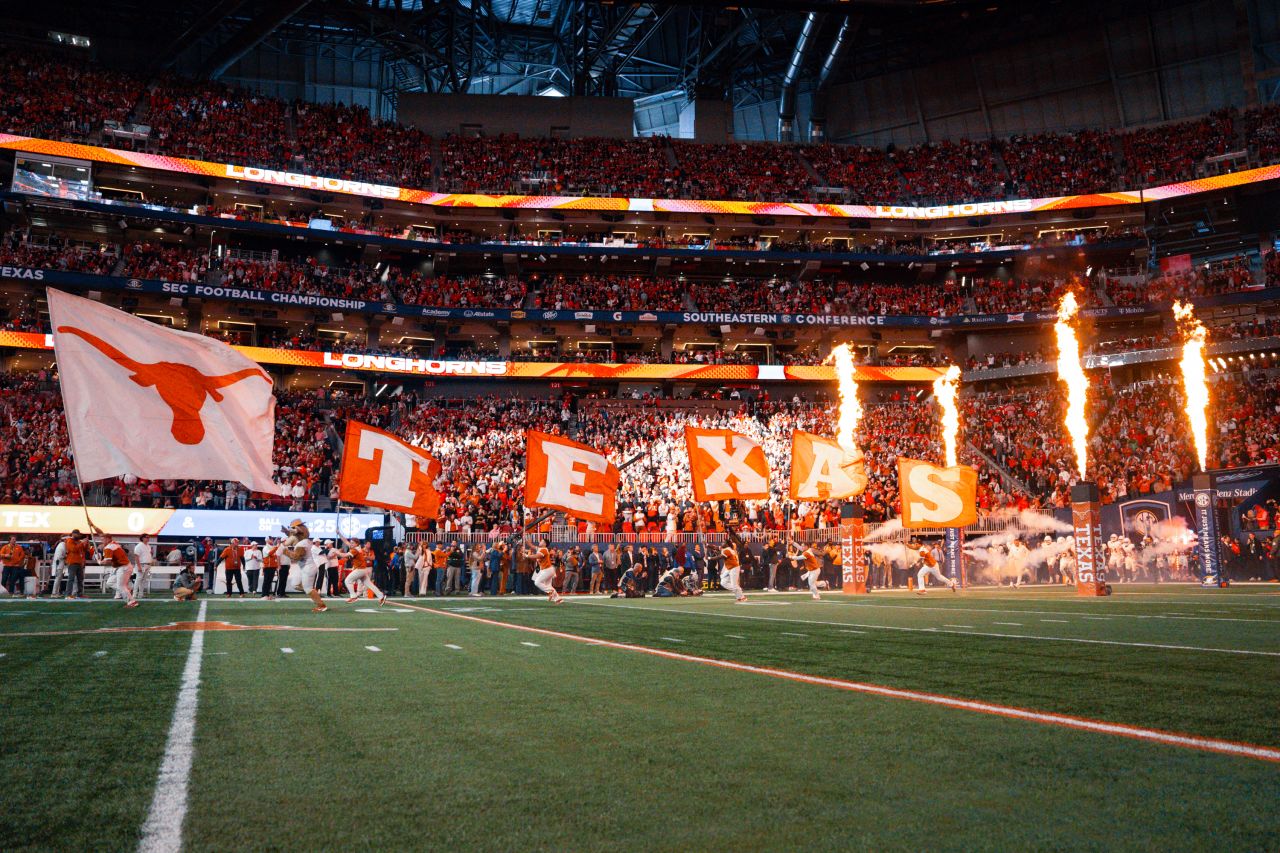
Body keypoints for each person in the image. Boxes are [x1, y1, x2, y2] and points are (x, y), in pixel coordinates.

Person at [283, 519, 327, 612]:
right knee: (295, 584)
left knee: (308, 588)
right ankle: (312, 592)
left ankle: (321, 605)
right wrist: (287, 532)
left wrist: (285, 551)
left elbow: (296, 557)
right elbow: (296, 534)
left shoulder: (302, 543)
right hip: (303, 566)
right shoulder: (303, 540)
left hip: (308, 567)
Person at [97, 529, 138, 608]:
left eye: (103, 539)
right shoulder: (113, 543)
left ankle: (132, 602)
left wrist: (99, 562)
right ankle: (128, 590)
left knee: (121, 586)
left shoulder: (108, 547)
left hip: (123, 567)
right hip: (121, 567)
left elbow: (107, 562)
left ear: (108, 539)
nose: (101, 541)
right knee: (110, 582)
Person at [342, 535, 386, 605]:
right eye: (351, 542)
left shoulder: (355, 549)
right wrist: (339, 534)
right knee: (369, 584)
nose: (351, 544)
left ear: (357, 543)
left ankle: (353, 596)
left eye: (352, 543)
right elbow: (346, 541)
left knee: (347, 581)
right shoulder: (357, 548)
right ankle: (381, 596)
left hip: (360, 569)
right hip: (363, 569)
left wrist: (336, 552)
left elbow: (344, 556)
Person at [524, 540, 564, 604]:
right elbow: (532, 546)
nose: (540, 541)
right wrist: (527, 541)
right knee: (548, 585)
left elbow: (536, 556)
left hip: (547, 570)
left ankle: (550, 592)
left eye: (541, 541)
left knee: (537, 582)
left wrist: (527, 556)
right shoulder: (541, 549)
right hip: (547, 570)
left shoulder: (544, 550)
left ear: (545, 544)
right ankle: (558, 599)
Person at [720, 524, 748, 603]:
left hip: (734, 565)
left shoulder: (736, 546)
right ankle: (737, 590)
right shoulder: (729, 545)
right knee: (723, 582)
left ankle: (740, 595)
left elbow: (733, 535)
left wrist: (729, 528)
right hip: (728, 565)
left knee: (734, 584)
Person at [62, 529, 90, 600]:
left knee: (80, 579)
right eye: (78, 534)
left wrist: (86, 543)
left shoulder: (79, 542)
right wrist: (82, 543)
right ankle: (68, 594)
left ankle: (79, 594)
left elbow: (85, 550)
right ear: (73, 534)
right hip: (72, 562)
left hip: (79, 562)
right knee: (71, 578)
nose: (79, 535)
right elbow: (73, 549)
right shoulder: (69, 540)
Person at [133, 533, 154, 599]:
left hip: (147, 564)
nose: (148, 539)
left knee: (143, 580)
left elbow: (148, 555)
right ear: (142, 538)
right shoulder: (139, 546)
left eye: (148, 537)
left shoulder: (148, 546)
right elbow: (136, 556)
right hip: (141, 564)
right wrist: (139, 566)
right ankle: (134, 595)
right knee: (138, 580)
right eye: (147, 537)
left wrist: (150, 562)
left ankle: (140, 594)